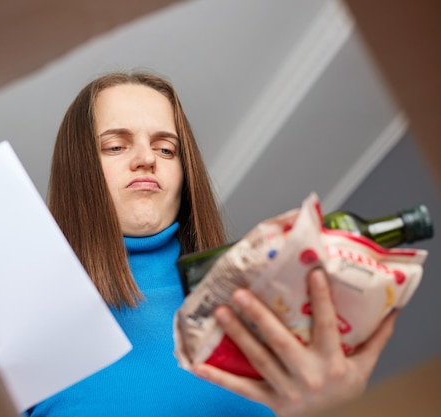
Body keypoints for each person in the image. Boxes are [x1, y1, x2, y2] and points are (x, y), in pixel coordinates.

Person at [26, 71, 397, 417]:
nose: (146, 159)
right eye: (116, 146)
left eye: (166, 149)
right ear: (77, 170)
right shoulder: (27, 324)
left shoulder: (263, 299)